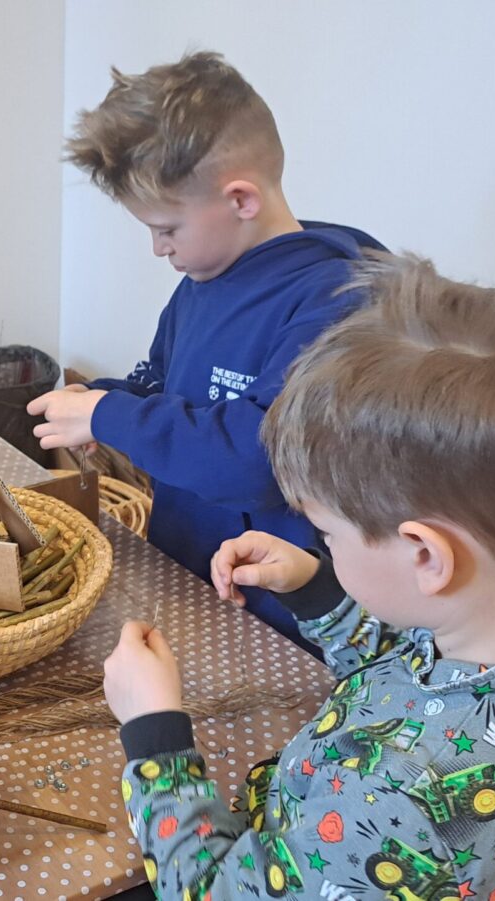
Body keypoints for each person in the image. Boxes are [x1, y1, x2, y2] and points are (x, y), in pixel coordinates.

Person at [102, 253, 495, 900]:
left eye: (328, 534)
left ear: (426, 556)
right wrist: (318, 589)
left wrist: (155, 737)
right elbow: (413, 685)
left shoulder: (397, 796)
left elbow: (213, 892)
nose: (323, 545)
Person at [30, 51, 384, 648]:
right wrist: (100, 402)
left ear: (240, 199)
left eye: (166, 229)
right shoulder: (204, 277)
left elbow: (258, 460)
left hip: (278, 617)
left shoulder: (338, 301)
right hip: (187, 573)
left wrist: (112, 415)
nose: (157, 248)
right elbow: (163, 387)